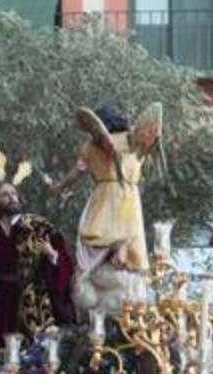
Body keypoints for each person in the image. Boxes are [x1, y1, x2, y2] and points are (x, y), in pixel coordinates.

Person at [51, 104, 161, 314]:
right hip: (129, 200)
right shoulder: (133, 141)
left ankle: (85, 277)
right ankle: (114, 273)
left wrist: (58, 187)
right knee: (125, 250)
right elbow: (150, 163)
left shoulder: (92, 146)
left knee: (95, 241)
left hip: (104, 199)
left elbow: (77, 172)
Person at [0, 182, 74, 353]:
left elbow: (63, 260)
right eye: (5, 195)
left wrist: (52, 254)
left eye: (14, 194)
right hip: (3, 300)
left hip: (35, 299)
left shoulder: (37, 225)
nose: (12, 198)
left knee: (36, 352)